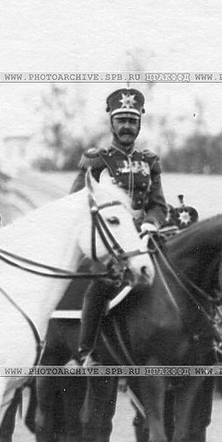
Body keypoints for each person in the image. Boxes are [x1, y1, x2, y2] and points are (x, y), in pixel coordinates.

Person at [67, 87, 168, 370]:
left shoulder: (149, 162)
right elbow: (75, 204)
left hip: (142, 240)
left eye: (132, 121)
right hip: (108, 242)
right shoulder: (97, 160)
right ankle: (86, 351)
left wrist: (151, 223)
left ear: (139, 124)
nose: (127, 126)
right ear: (111, 121)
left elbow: (159, 205)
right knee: (101, 285)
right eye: (121, 120)